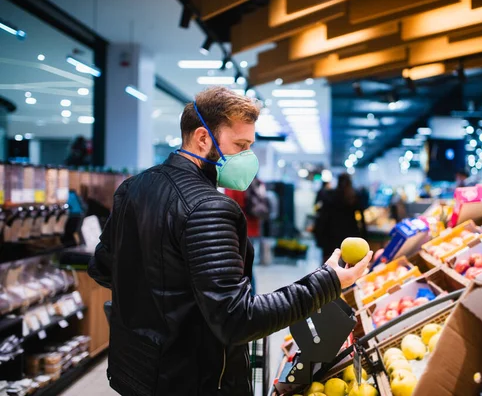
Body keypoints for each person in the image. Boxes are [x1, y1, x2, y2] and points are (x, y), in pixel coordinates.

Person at [87, 87, 372, 396]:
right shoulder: (209, 207)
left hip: (135, 370)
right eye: (240, 145)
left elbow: (103, 268)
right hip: (194, 380)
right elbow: (236, 319)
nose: (248, 157)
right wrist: (328, 281)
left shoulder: (133, 188)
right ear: (202, 138)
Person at [314, 173, 366, 263]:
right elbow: (361, 217)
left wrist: (319, 235)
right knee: (349, 262)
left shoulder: (329, 195)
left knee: (329, 262)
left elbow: (323, 217)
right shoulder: (354, 196)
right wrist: (364, 234)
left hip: (331, 234)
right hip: (350, 234)